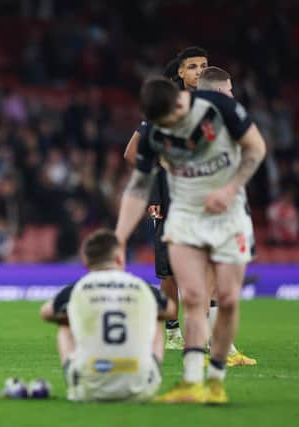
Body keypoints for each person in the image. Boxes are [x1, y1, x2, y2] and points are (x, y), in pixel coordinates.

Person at [116, 77, 266, 403]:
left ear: (179, 103)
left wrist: (230, 188)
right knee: (194, 297)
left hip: (228, 215)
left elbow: (256, 148)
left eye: (170, 121)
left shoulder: (218, 107)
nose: (167, 129)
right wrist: (119, 236)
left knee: (226, 299)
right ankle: (191, 381)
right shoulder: (154, 130)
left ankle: (215, 380)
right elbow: (139, 187)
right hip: (183, 216)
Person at [123, 47, 208, 350]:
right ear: (181, 73)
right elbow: (133, 153)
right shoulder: (165, 107)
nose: (199, 71)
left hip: (209, 200)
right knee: (169, 269)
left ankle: (208, 334)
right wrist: (156, 186)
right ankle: (172, 330)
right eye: (193, 66)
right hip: (172, 200)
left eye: (204, 66)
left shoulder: (218, 105)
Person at [49, 229, 176, 402]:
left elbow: (46, 312)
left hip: (88, 392)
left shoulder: (79, 287)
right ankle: (148, 375)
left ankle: (78, 378)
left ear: (86, 262)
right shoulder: (140, 286)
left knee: (65, 324)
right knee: (157, 317)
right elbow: (171, 310)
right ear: (119, 258)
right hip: (140, 391)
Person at [196, 66, 257, 366]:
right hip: (218, 208)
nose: (233, 94)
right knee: (215, 284)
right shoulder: (220, 117)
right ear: (220, 90)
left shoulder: (184, 114)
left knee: (209, 283)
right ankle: (216, 350)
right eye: (229, 89)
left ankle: (215, 348)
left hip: (195, 207)